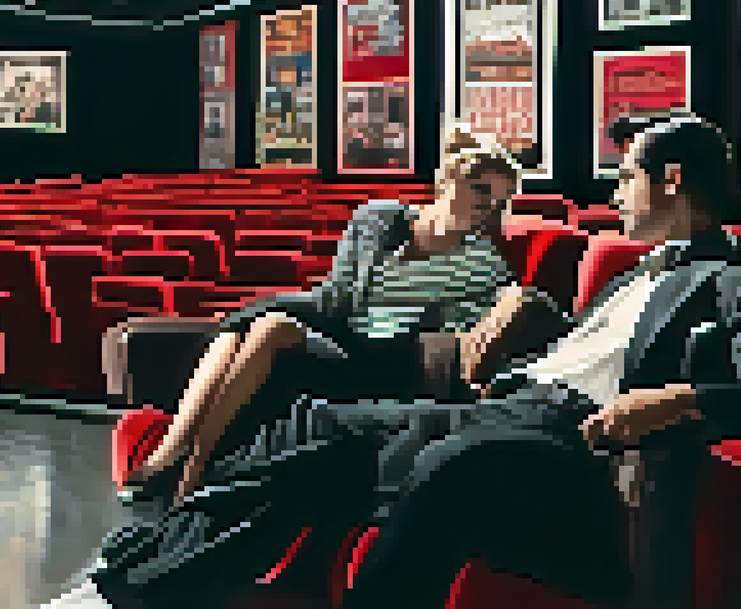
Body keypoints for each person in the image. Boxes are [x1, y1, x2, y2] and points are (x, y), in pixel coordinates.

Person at [72, 112, 741, 609]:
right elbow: (577, 343)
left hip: (575, 442)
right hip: (503, 403)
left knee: (449, 466)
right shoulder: (630, 271)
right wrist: (526, 319)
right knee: (313, 424)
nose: (616, 193)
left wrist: (671, 401)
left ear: (672, 180)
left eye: (628, 176)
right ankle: (141, 581)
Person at [118, 123, 553, 510]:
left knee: (269, 326)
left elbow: (476, 335)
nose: (487, 206)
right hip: (341, 331)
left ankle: (193, 466)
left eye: (499, 200)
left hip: (385, 360)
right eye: (479, 189)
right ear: (448, 180)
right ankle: (170, 453)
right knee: (243, 330)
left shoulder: (484, 264)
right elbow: (335, 298)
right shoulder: (377, 220)